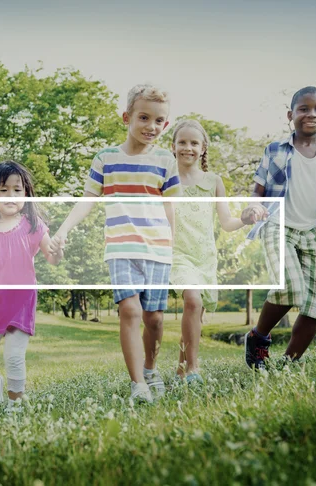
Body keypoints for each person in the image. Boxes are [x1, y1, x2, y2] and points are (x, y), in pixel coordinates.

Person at [49, 84, 182, 404]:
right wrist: (63, 229)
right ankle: (138, 384)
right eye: (144, 118)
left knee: (155, 318)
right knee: (130, 311)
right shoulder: (106, 158)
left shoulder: (166, 159)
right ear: (127, 117)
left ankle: (151, 368)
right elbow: (87, 200)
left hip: (158, 249)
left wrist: (174, 243)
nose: (152, 127)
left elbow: (170, 206)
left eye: (159, 121)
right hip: (121, 248)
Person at [242, 86, 316, 369]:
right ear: (290, 115)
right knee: (291, 287)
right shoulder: (275, 150)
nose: (311, 114)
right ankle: (258, 338)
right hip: (278, 225)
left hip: (312, 232)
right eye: (304, 109)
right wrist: (254, 206)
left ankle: (288, 364)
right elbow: (258, 190)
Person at [0, 161, 62, 409]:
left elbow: (51, 258)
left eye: (17, 190)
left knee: (14, 356)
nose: (11, 196)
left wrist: (58, 251)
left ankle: (14, 407)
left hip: (22, 298)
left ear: (26, 194)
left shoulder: (33, 224)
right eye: (3, 190)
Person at [170, 119, 255, 383]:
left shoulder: (214, 181)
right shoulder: (166, 180)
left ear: (203, 147)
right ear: (172, 147)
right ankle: (193, 368)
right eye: (182, 142)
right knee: (193, 301)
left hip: (204, 256)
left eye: (194, 143)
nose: (188, 148)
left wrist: (245, 217)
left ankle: (182, 367)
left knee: (194, 311)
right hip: (177, 253)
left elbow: (227, 223)